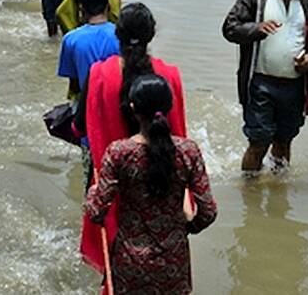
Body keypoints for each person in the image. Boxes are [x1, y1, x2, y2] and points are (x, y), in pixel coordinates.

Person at [77, 2, 188, 273]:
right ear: (151, 35)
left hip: (112, 184)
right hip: (160, 179)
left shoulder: (99, 75)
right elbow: (179, 133)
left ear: (118, 34)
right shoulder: (169, 75)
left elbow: (80, 126)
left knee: (113, 262)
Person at [85, 74, 217, 294]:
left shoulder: (119, 153)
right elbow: (208, 211)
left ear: (133, 107)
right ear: (169, 105)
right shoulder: (188, 151)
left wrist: (92, 192)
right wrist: (185, 229)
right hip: (173, 259)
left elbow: (97, 212)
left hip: (131, 261)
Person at [222, 0, 308, 174]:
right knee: (258, 143)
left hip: (294, 86)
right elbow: (230, 28)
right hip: (260, 83)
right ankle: (249, 196)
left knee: (284, 141)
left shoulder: (307, 0)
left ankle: (279, 193)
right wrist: (256, 29)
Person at [57, 0, 119, 99]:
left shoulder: (71, 39)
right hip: (115, 102)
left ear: (81, 8)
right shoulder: (121, 35)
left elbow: (74, 82)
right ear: (108, 7)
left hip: (87, 104)